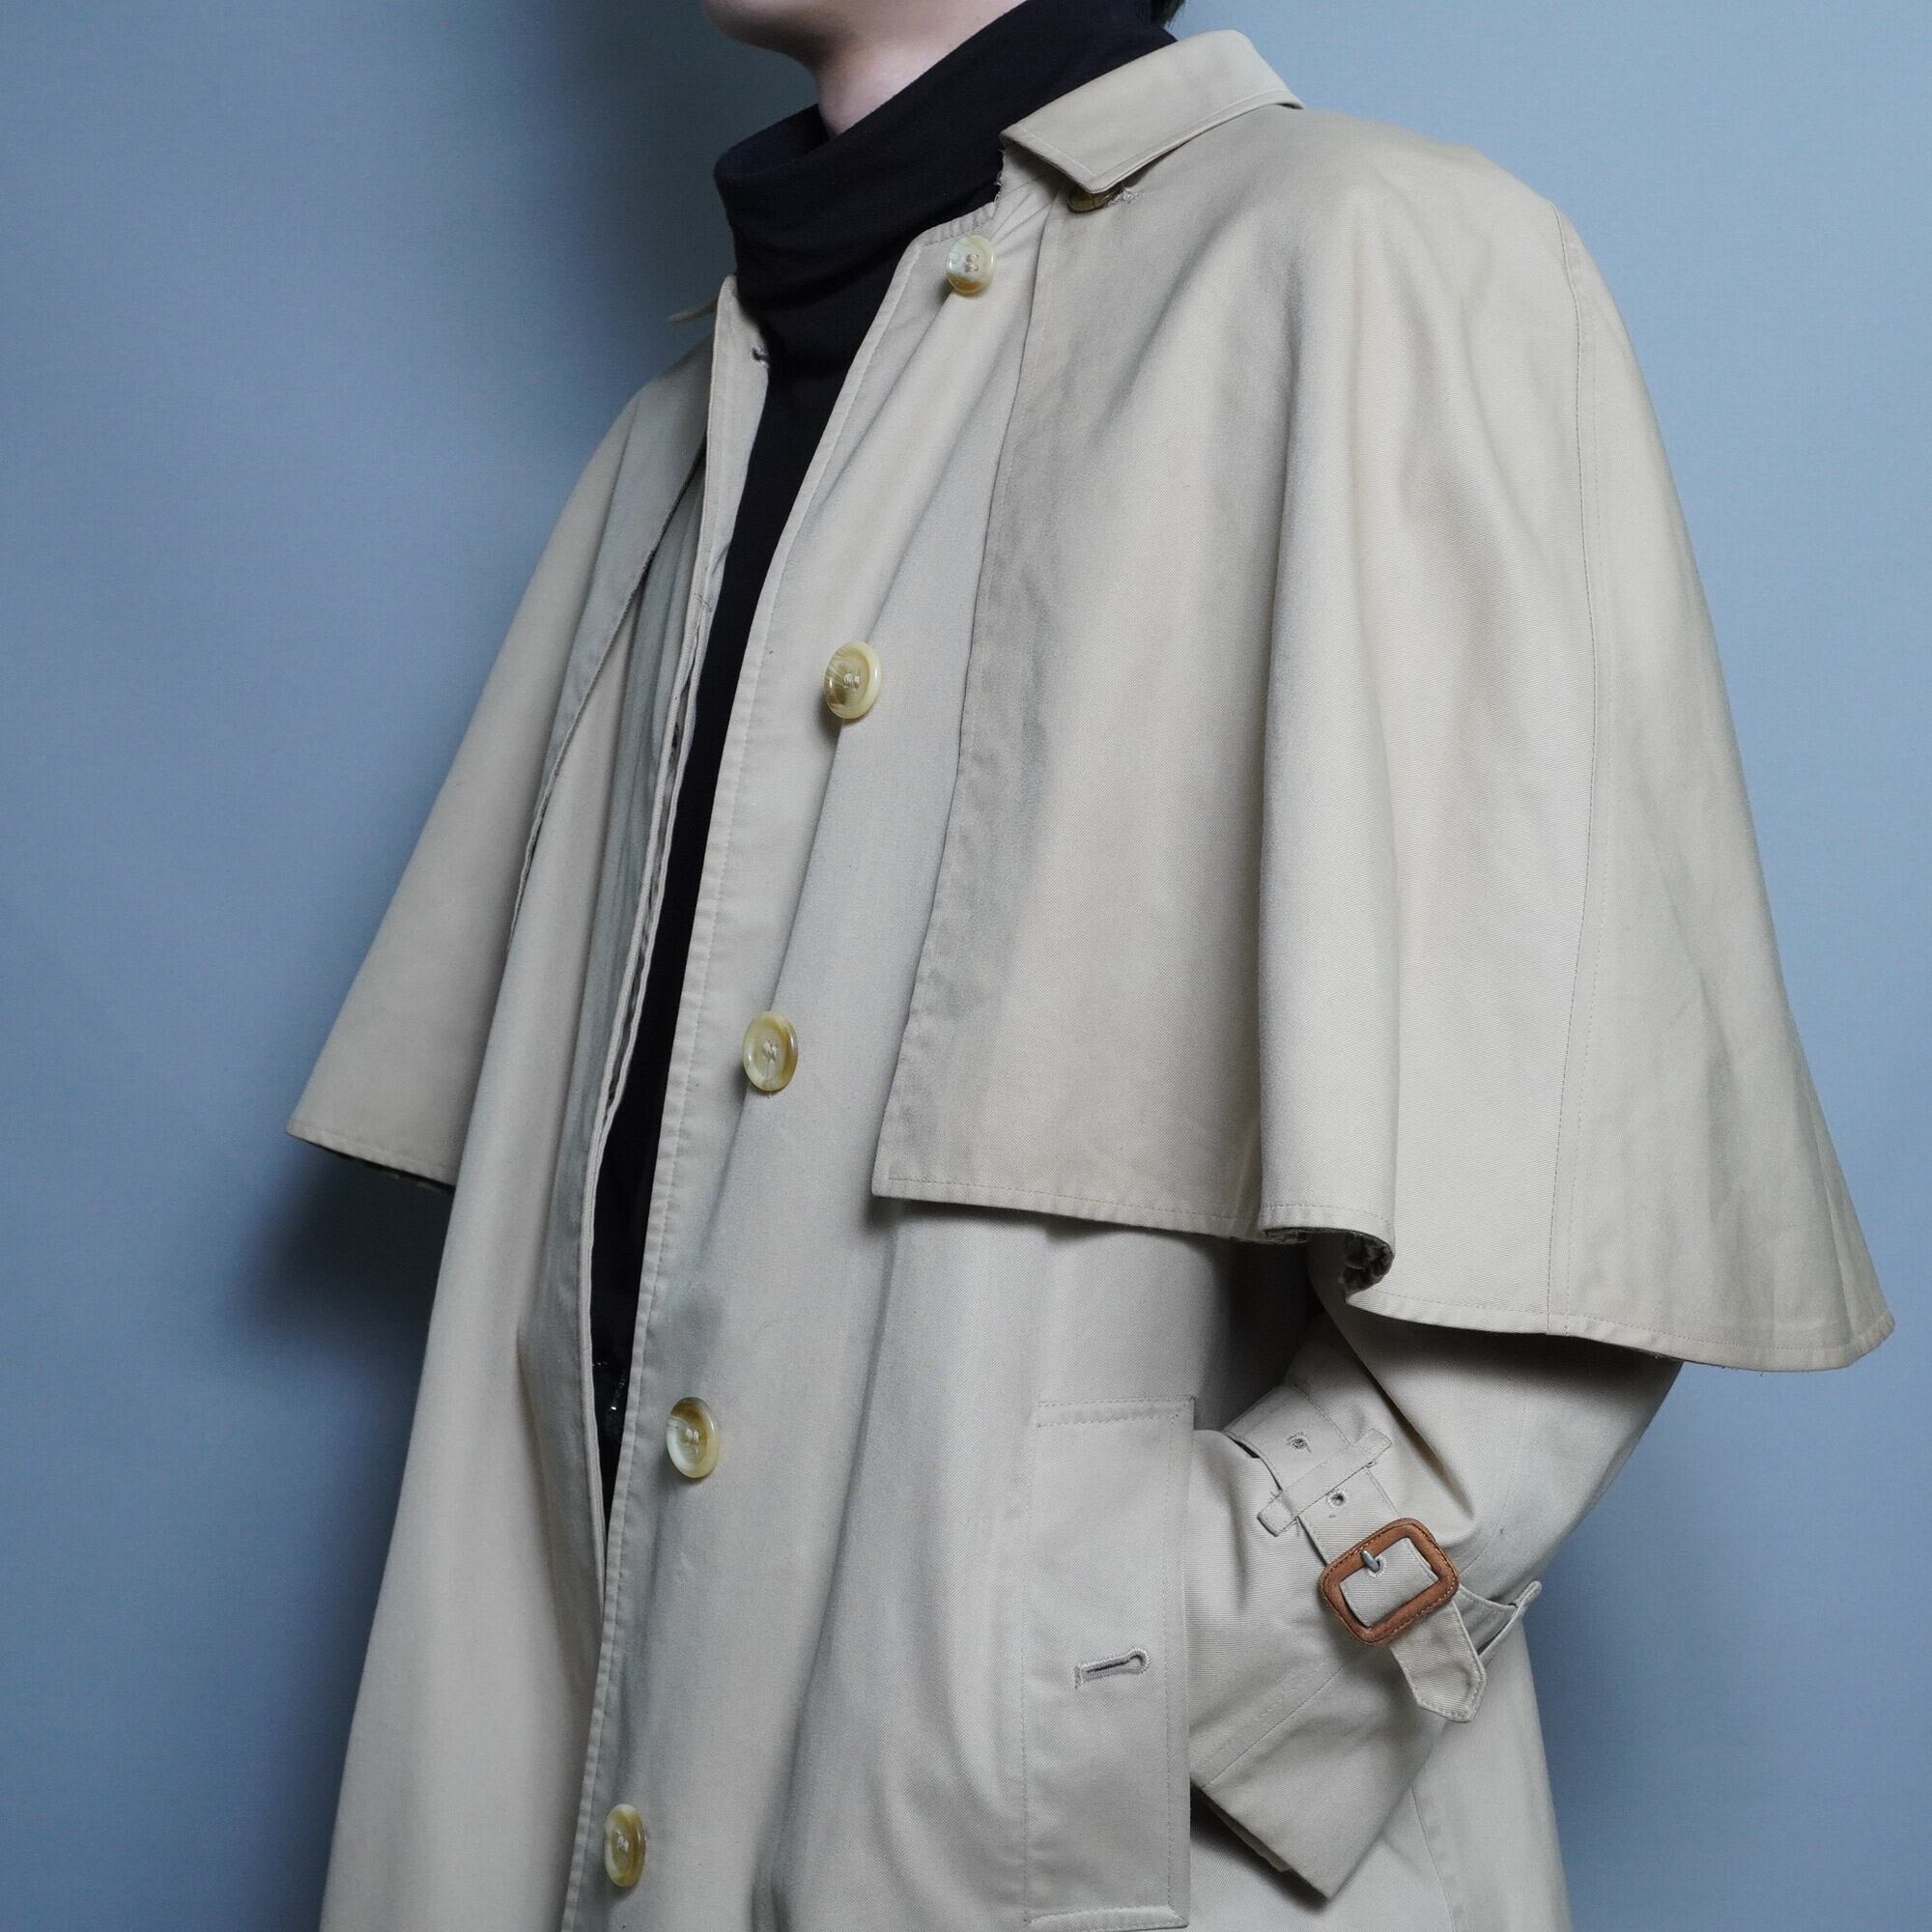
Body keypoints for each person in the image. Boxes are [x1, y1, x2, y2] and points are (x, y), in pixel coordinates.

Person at [287, 3, 1891, 1927]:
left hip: (1076, 1863)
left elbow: (1577, 1209)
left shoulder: (1362, 251)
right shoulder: (670, 446)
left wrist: (1090, 1680)